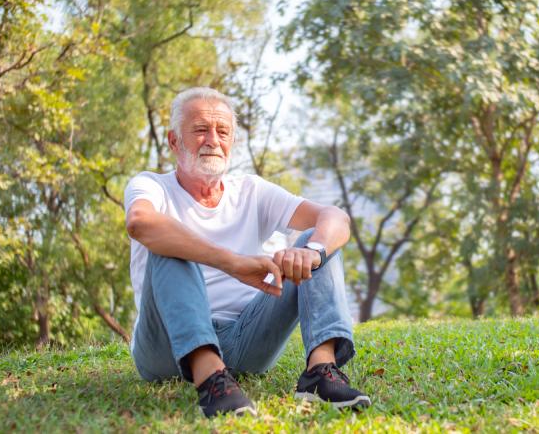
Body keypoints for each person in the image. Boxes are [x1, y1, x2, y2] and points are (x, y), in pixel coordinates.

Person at [123, 87, 370, 417]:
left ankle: (319, 372)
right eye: (200, 130)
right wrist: (233, 263)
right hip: (165, 347)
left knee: (320, 239)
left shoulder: (251, 191)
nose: (213, 139)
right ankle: (210, 377)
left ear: (231, 142)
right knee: (168, 241)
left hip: (245, 340)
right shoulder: (151, 186)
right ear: (173, 142)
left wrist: (312, 252)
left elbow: (335, 217)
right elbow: (140, 223)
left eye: (222, 131)